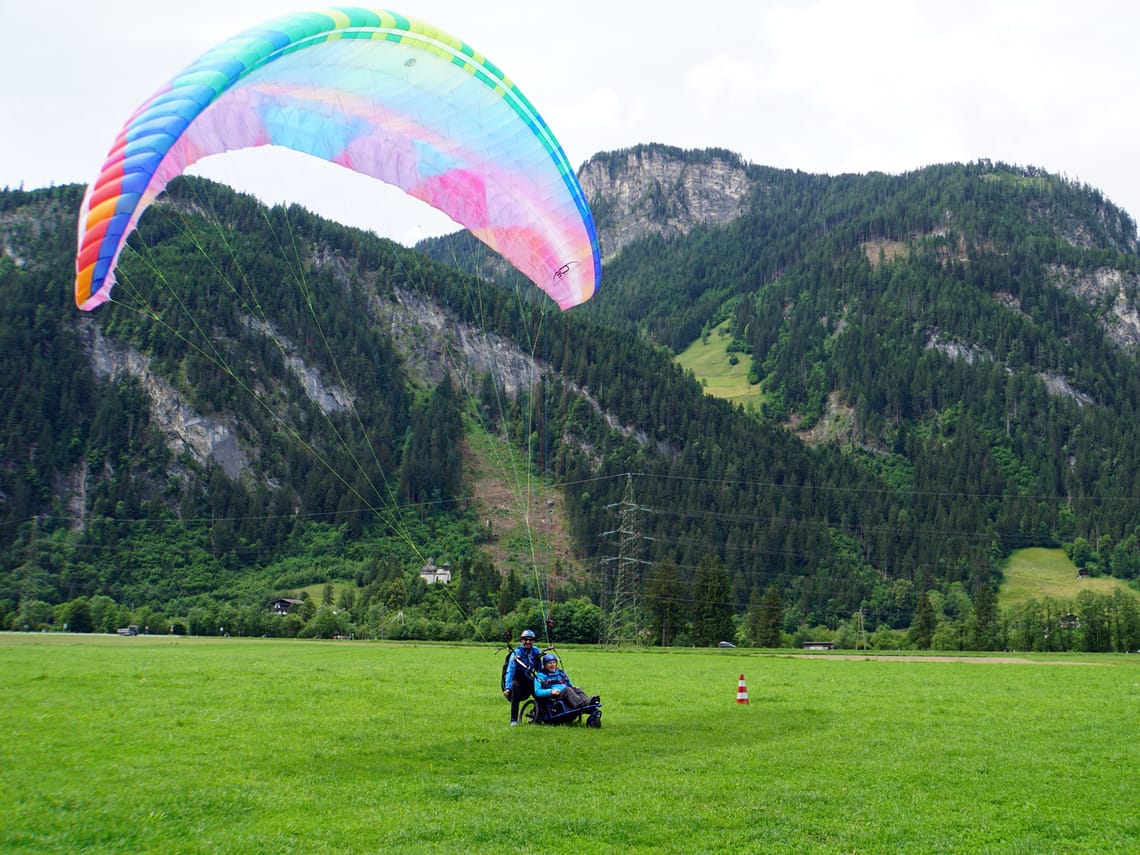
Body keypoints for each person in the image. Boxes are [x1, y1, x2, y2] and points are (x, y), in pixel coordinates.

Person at [503, 629, 543, 725]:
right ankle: (513, 720)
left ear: (533, 641)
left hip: (527, 677)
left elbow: (539, 669)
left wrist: (543, 680)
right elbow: (510, 670)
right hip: (516, 678)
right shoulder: (517, 653)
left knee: (539, 693)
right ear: (522, 640)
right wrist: (507, 687)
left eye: (530, 640)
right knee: (515, 690)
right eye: (525, 640)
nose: (528, 642)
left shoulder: (535, 651)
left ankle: (538, 715)